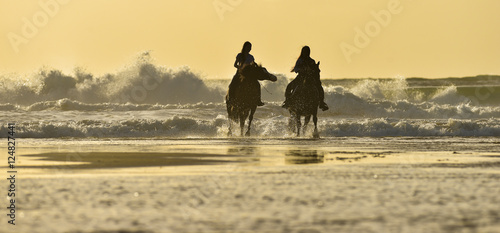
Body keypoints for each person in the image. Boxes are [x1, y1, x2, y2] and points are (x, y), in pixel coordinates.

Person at [282, 46, 329, 111]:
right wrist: (301, 70)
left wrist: (312, 70)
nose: (305, 53)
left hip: (310, 78)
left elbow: (314, 71)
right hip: (300, 77)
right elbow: (296, 69)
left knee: (320, 88)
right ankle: (287, 102)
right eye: (304, 52)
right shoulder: (300, 60)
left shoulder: (312, 61)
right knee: (289, 87)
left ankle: (321, 103)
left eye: (307, 52)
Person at [227, 41, 264, 106]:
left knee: (257, 84)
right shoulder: (240, 55)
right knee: (233, 84)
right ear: (244, 47)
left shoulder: (251, 57)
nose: (249, 49)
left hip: (248, 75)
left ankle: (258, 100)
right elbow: (235, 64)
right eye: (248, 47)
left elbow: (253, 64)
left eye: (250, 47)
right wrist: (240, 68)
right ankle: (230, 98)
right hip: (239, 73)